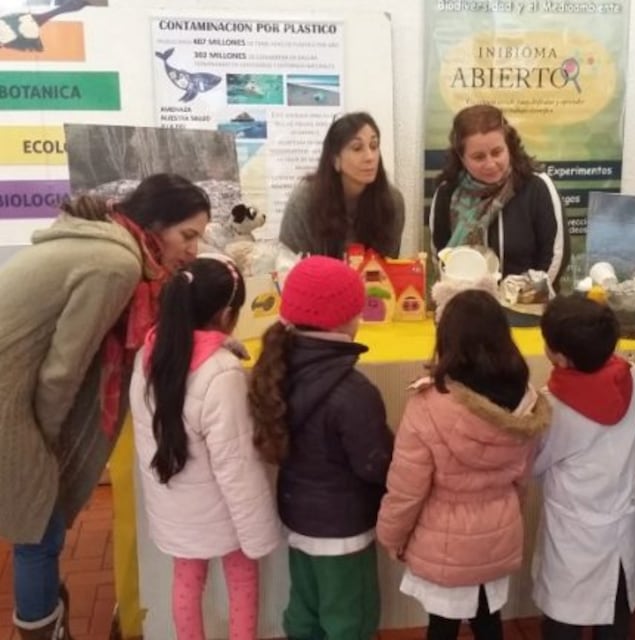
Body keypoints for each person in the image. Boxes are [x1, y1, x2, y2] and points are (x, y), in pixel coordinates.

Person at [0, 173, 211, 640]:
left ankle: (47, 616)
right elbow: (63, 369)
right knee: (38, 529)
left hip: (15, 390)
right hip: (10, 401)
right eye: (188, 235)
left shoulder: (108, 243)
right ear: (156, 224)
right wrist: (47, 448)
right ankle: (40, 629)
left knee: (38, 526)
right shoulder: (116, 264)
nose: (194, 250)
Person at [376, 290, 551, 640]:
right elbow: (521, 480)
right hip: (499, 530)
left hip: (443, 541)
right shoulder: (525, 401)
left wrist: (391, 535)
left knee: (441, 627)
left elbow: (406, 489)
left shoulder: (428, 405)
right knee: (489, 622)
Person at [130, 255, 280, 640]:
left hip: (175, 505)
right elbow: (237, 466)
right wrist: (258, 531)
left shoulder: (149, 354)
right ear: (228, 313)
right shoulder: (221, 373)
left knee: (186, 579)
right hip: (223, 511)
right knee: (243, 579)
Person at [249, 256, 393, 640]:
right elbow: (375, 464)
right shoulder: (353, 391)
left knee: (305, 610)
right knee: (350, 618)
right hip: (345, 527)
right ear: (348, 318)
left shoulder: (276, 367)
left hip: (299, 517)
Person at [532, 295, 635, 640]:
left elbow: (532, 459)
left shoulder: (551, 406)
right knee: (616, 618)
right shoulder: (634, 376)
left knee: (563, 621)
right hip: (623, 526)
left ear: (559, 355)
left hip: (573, 533)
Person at [429, 104, 570, 285]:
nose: (490, 164)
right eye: (479, 157)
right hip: (466, 307)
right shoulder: (446, 193)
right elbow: (440, 259)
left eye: (497, 152)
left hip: (528, 307)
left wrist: (521, 300)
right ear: (461, 157)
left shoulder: (537, 187)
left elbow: (555, 257)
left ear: (509, 146)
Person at [279, 112, 405, 258]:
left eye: (374, 146)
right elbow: (291, 267)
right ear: (335, 159)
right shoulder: (305, 199)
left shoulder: (392, 202)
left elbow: (389, 267)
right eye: (357, 148)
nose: (370, 157)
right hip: (316, 279)